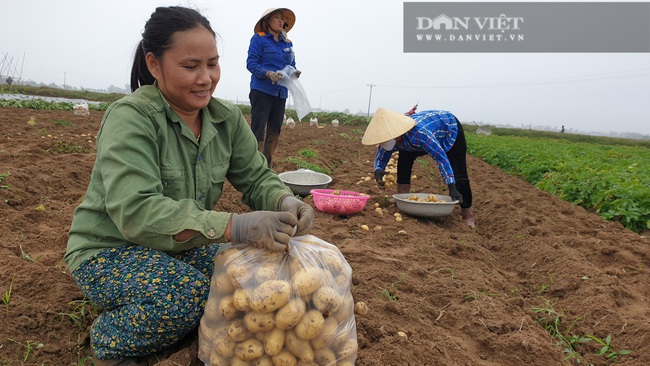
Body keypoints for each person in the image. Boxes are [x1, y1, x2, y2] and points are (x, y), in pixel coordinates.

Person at [64, 6, 314, 365]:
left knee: (253, 277)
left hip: (177, 246)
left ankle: (171, 322)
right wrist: (235, 225)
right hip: (111, 248)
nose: (205, 78)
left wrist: (283, 200)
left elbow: (256, 176)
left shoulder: (225, 118)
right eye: (190, 66)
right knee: (186, 295)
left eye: (212, 64)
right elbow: (137, 212)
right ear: (154, 65)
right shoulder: (132, 118)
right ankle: (110, 341)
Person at [362, 108, 476, 228]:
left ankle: (468, 215)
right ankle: (402, 198)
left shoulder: (419, 134)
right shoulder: (391, 137)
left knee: (459, 176)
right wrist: (378, 169)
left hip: (449, 130)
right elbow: (383, 152)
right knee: (404, 159)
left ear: (396, 135)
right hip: (410, 141)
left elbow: (441, 157)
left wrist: (451, 185)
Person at [246, 7, 300, 168]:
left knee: (275, 131)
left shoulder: (288, 43)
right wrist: (268, 73)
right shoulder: (259, 39)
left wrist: (294, 72)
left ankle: (267, 167)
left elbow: (292, 64)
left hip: (280, 93)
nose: (280, 21)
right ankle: (255, 166)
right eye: (277, 17)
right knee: (258, 130)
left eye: (282, 19)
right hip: (262, 90)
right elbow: (251, 63)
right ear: (267, 21)